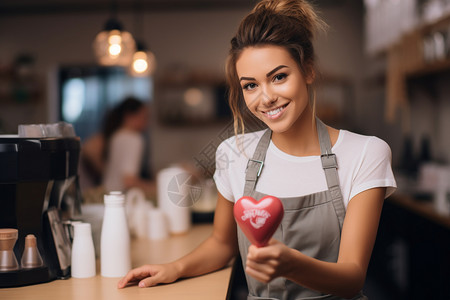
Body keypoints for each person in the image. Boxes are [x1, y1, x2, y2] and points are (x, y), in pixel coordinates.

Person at [117, 1, 397, 299]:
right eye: (250, 86)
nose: (266, 98)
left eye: (279, 77)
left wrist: (290, 264)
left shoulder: (366, 152)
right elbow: (221, 244)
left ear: (309, 70)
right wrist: (174, 268)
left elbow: (352, 277)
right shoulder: (233, 153)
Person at [101, 97, 154, 194]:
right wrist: (156, 188)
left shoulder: (116, 135)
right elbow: (128, 181)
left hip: (105, 194)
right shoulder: (134, 139)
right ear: (129, 116)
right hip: (120, 198)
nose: (147, 123)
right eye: (144, 117)